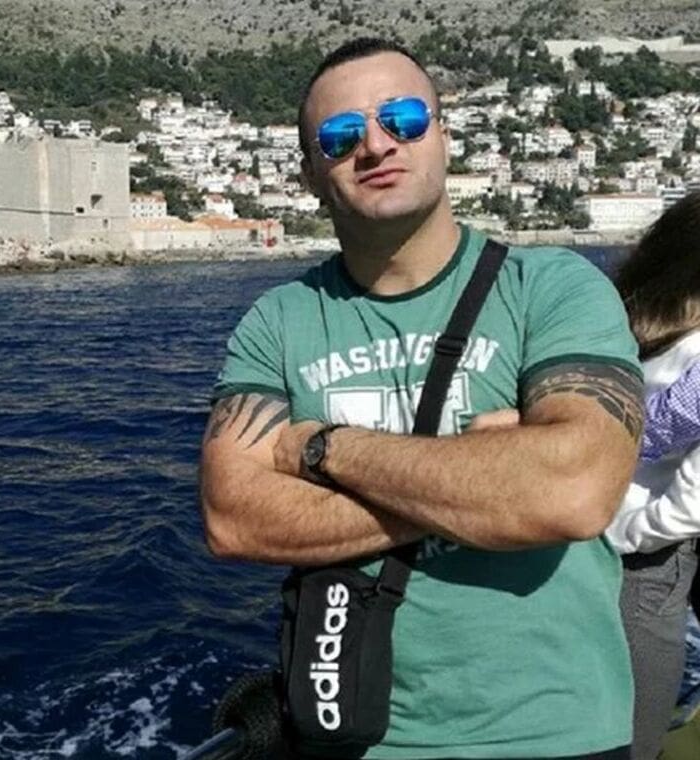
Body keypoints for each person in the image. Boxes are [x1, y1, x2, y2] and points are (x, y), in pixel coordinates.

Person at [199, 37, 643, 759]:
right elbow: (233, 517)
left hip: (556, 731)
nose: (376, 145)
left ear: (444, 135)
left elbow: (574, 490)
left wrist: (321, 449)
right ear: (310, 173)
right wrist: (490, 480)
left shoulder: (554, 287)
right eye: (340, 136)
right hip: (358, 736)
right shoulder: (277, 320)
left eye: (402, 118)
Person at [605, 192, 700, 759]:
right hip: (644, 560)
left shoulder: (618, 324)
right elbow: (690, 504)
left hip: (599, 543)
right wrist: (621, 534)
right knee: (630, 736)